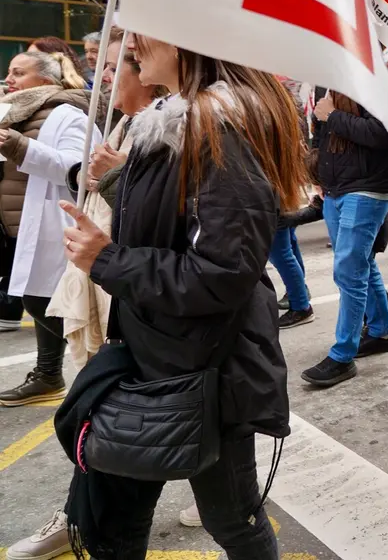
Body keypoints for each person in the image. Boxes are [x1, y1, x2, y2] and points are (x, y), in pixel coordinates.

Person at [58, 34, 305, 558]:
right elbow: (175, 217)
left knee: (231, 520)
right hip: (150, 353)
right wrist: (118, 181)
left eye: (138, 39)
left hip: (205, 369)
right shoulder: (172, 120)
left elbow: (221, 271)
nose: (130, 49)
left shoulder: (220, 129)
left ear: (185, 41)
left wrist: (106, 259)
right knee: (113, 518)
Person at [5, 34, 167, 560]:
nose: (97, 75)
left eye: (115, 63)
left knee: (226, 503)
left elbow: (171, 227)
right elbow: (86, 180)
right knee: (110, 422)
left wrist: (113, 191)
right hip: (116, 290)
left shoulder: (179, 128)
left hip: (146, 304)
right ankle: (77, 518)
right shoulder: (126, 121)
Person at [0, 51, 97, 406]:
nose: (10, 79)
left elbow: (78, 168)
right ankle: (49, 375)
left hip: (50, 223)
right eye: (9, 71)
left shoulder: (66, 114)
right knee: (32, 296)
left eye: (19, 72)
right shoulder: (13, 112)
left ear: (44, 80)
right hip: (14, 225)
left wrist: (18, 145)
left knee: (43, 299)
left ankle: (84, 372)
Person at [300, 87, 388, 388]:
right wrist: (318, 174)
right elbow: (322, 133)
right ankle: (383, 329)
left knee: (348, 270)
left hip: (368, 186)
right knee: (362, 263)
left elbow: (382, 134)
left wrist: (332, 114)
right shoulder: (326, 80)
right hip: (335, 186)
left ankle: (343, 354)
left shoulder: (373, 76)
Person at [272, 75, 313, 329]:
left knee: (280, 250)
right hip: (284, 181)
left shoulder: (279, 107)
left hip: (277, 182)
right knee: (288, 244)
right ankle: (298, 294)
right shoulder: (287, 103)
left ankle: (300, 305)